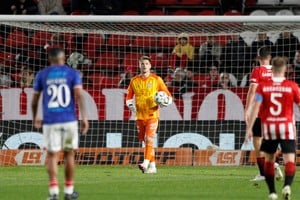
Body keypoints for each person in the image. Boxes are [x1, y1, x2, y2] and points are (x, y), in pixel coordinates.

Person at [31, 47, 89, 200]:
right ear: (64, 59)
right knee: (69, 154)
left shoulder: (42, 74)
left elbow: (35, 99)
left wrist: (35, 116)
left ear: (50, 59)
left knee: (52, 155)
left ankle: (53, 192)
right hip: (69, 120)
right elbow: (79, 95)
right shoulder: (72, 74)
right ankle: (69, 191)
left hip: (50, 121)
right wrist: (84, 117)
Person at [245, 56, 299, 200]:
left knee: (269, 159)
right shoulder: (292, 86)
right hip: (286, 126)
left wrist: (249, 128)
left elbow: (256, 108)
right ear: (285, 69)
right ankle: (287, 185)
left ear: (272, 69)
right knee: (289, 160)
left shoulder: (263, 87)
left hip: (270, 127)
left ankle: (272, 193)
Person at [126, 56, 172, 174]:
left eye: (146, 63)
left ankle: (145, 163)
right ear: (139, 65)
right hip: (139, 116)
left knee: (149, 138)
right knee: (145, 141)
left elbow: (169, 96)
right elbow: (129, 97)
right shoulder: (134, 81)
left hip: (153, 114)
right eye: (142, 64)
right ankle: (153, 166)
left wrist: (165, 102)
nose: (144, 66)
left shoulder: (157, 79)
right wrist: (130, 104)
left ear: (150, 66)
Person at [244, 46, 283, 182]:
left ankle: (264, 172)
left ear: (258, 58)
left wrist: (247, 109)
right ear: (270, 57)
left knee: (257, 141)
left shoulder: (257, 71)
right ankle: (273, 164)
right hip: (275, 110)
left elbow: (253, 90)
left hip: (260, 110)